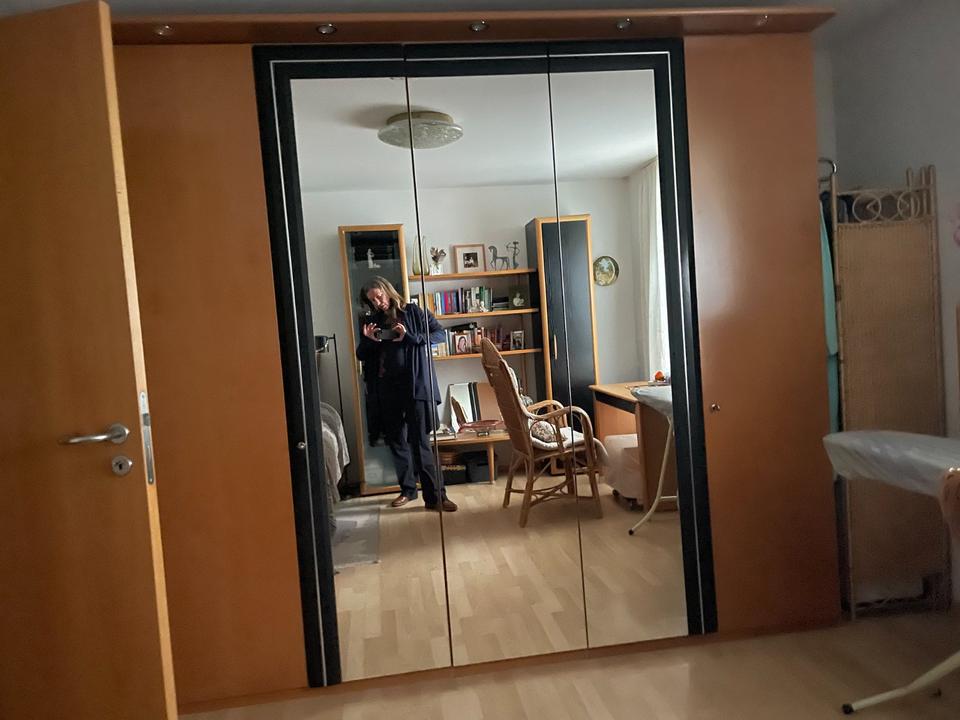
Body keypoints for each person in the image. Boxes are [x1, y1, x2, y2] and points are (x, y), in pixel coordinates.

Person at [356, 276, 457, 512]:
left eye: (379, 296)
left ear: (387, 290)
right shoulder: (372, 321)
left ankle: (436, 497)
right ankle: (408, 490)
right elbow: (361, 354)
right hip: (386, 388)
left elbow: (439, 335)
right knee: (396, 441)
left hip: (415, 386)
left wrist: (410, 337)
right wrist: (369, 340)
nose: (378, 302)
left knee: (420, 442)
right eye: (372, 300)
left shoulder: (412, 312)